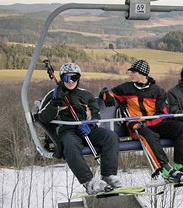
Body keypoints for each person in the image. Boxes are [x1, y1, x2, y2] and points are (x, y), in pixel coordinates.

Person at [100, 60, 183, 183]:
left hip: (155, 124)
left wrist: (147, 123)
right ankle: (164, 168)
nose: (130, 74)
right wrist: (105, 92)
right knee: (149, 134)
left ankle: (181, 165)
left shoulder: (158, 91)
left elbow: (163, 114)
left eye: (133, 72)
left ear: (142, 73)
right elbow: (109, 92)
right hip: (136, 127)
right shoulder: (126, 88)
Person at [38, 62, 122, 195]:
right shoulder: (54, 94)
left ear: (79, 78)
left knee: (111, 136)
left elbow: (96, 113)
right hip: (68, 131)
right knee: (70, 146)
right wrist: (54, 103)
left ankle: (109, 175)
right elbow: (43, 118)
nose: (70, 81)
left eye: (74, 78)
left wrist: (91, 124)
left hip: (87, 129)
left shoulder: (85, 95)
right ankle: (88, 181)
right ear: (61, 78)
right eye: (67, 78)